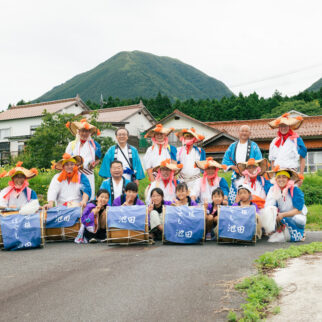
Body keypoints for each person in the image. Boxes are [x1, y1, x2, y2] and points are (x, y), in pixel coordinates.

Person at [262, 167, 307, 242]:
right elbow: (269, 205)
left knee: (300, 220)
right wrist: (274, 215)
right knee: (268, 211)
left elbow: (298, 210)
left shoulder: (295, 190)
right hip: (281, 215)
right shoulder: (273, 189)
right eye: (279, 177)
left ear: (288, 179)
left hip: (294, 215)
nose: (281, 179)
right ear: (276, 179)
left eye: (284, 177)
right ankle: (275, 229)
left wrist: (283, 215)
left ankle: (300, 231)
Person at [222, 125, 262, 204]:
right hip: (237, 175)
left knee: (251, 197)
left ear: (250, 133)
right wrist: (234, 167)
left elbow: (259, 161)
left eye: (246, 131)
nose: (244, 133)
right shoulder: (232, 146)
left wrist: (249, 169)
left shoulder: (254, 146)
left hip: (251, 176)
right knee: (235, 198)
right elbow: (225, 161)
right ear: (238, 133)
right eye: (242, 131)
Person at [65, 119, 101, 199]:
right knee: (73, 197)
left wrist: (94, 164)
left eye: (87, 131)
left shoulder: (94, 145)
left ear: (90, 132)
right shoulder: (72, 144)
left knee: (88, 196)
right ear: (78, 131)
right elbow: (66, 160)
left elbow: (98, 159)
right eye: (82, 131)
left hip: (88, 173)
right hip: (74, 174)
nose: (84, 133)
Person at [268, 113, 307, 185]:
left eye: (285, 126)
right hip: (278, 173)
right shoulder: (274, 141)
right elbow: (273, 160)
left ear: (289, 126)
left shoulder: (297, 140)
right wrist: (272, 175)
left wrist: (301, 175)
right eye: (281, 126)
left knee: (292, 194)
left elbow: (302, 158)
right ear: (279, 127)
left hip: (292, 173)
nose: (283, 128)